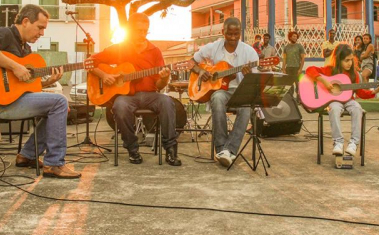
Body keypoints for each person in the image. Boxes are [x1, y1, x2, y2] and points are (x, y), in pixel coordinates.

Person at [0, 4, 78, 179]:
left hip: (13, 100)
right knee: (60, 101)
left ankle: (27, 155)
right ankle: (54, 164)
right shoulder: (5, 34)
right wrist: (15, 66)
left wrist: (47, 83)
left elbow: (24, 86)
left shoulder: (26, 49)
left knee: (60, 107)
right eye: (40, 27)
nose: (42, 33)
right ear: (26, 21)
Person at [88, 13, 181, 166]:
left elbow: (159, 86)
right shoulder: (119, 48)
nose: (142, 34)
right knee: (120, 106)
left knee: (166, 101)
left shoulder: (155, 51)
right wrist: (104, 75)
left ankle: (170, 150)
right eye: (139, 31)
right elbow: (90, 62)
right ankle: (132, 148)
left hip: (150, 95)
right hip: (127, 97)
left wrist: (164, 78)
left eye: (145, 31)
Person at [191, 17, 259, 167]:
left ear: (240, 33)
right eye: (229, 34)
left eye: (236, 34)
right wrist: (201, 71)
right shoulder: (213, 47)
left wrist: (249, 75)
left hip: (240, 91)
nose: (233, 38)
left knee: (246, 107)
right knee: (217, 98)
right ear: (223, 32)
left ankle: (229, 150)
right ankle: (221, 148)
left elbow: (254, 82)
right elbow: (192, 62)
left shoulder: (249, 52)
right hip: (221, 91)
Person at [304, 44, 379, 156]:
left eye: (351, 60)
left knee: (357, 108)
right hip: (334, 101)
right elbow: (309, 69)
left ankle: (354, 143)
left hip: (349, 100)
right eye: (346, 60)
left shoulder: (354, 74)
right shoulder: (329, 70)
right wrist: (323, 80)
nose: (350, 63)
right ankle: (338, 142)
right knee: (334, 108)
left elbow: (361, 92)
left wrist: (375, 91)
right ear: (338, 60)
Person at [282, 31, 306, 96]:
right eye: (294, 36)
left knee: (298, 85)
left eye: (296, 36)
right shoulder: (286, 47)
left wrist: (300, 69)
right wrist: (283, 68)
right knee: (289, 85)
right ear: (290, 37)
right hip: (289, 68)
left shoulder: (299, 46)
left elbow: (303, 58)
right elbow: (284, 59)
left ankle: (299, 99)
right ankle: (291, 99)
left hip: (296, 68)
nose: (295, 38)